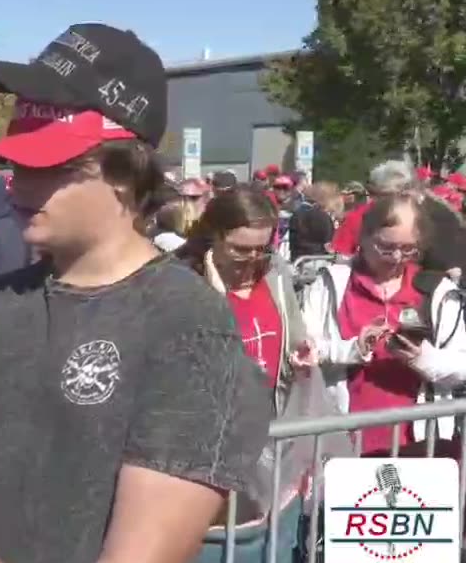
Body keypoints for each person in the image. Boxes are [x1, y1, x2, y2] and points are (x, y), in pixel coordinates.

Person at [0, 23, 271, 563]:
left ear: (126, 176)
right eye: (16, 156)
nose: (17, 178)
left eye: (48, 164)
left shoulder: (187, 321)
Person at [301, 192, 465, 457]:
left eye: (408, 248)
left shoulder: (437, 291)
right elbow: (305, 348)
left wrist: (422, 358)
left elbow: (462, 365)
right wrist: (354, 349)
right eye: (385, 247)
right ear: (364, 238)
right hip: (343, 440)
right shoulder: (332, 283)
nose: (396, 257)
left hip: (421, 444)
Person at [175, 187, 317, 414]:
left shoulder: (275, 273)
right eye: (240, 249)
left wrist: (300, 358)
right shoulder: (183, 282)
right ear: (214, 236)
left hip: (269, 421)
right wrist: (215, 298)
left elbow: (293, 341)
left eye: (261, 249)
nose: (252, 258)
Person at [288, 180, 343, 259]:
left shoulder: (298, 213)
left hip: (299, 259)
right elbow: (329, 245)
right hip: (318, 260)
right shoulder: (321, 216)